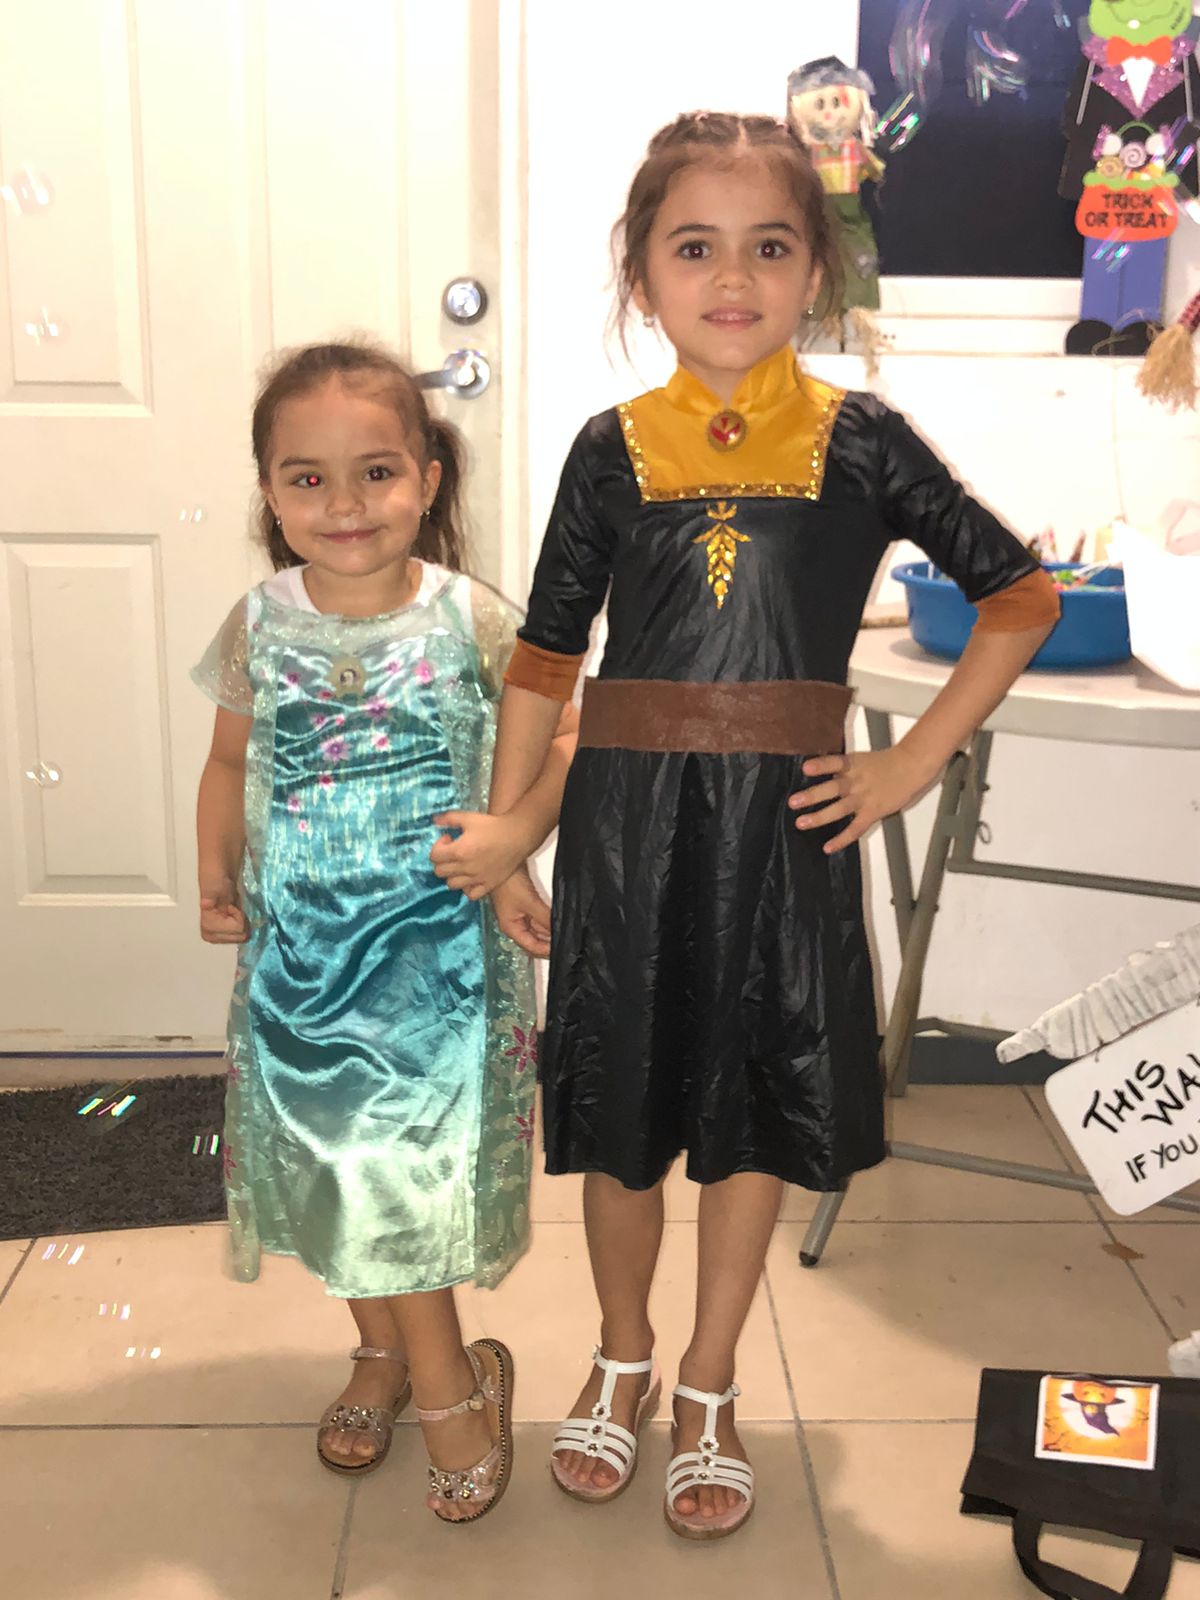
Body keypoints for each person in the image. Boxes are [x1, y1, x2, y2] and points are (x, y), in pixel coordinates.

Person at [484, 110, 1060, 1541]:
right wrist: (505, 841)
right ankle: (621, 1357)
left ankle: (708, 1377)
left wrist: (911, 761)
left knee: (745, 1107)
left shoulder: (863, 441)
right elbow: (545, 660)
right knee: (622, 1119)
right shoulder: (610, 450)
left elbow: (1020, 595)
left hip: (782, 833)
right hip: (624, 834)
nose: (732, 277)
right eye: (695, 248)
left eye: (769, 247)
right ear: (641, 275)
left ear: (817, 274)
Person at [193, 341, 574, 1524]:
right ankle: (383, 1351)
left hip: (434, 961)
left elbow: (563, 740)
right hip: (300, 957)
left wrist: (514, 844)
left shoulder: (474, 619)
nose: (344, 504)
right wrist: (214, 871)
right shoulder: (260, 623)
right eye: (307, 478)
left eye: (376, 473)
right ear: (269, 491)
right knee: (325, 1158)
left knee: (397, 1166)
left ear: (427, 479)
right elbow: (228, 761)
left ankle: (454, 1384)